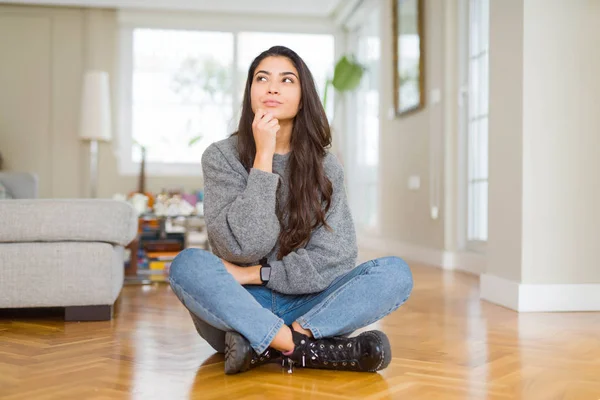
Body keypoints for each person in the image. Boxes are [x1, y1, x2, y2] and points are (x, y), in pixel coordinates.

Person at [169, 45, 413, 375]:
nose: (272, 87)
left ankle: (267, 345)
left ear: (302, 97)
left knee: (395, 273)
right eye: (262, 78)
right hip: (240, 305)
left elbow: (335, 257)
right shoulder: (221, 157)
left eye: (287, 80)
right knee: (187, 265)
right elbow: (243, 247)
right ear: (250, 93)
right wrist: (263, 158)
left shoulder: (326, 166)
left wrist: (256, 273)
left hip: (309, 304)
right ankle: (306, 349)